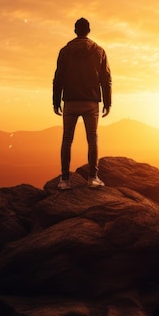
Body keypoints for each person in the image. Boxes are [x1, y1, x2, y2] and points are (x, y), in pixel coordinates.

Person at [53, 18, 112, 190]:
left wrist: (56, 101)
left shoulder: (64, 51)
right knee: (92, 139)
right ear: (89, 30)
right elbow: (106, 79)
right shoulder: (99, 51)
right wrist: (107, 102)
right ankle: (93, 178)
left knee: (67, 139)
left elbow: (58, 78)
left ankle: (64, 180)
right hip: (91, 102)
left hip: (70, 101)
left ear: (75, 30)